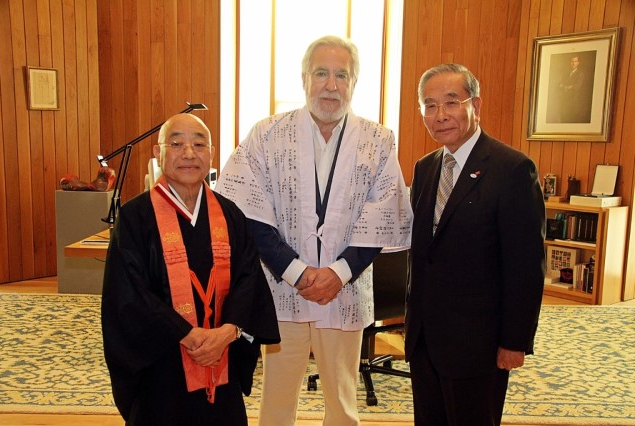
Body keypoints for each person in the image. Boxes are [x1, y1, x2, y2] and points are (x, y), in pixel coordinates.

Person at [216, 35, 413, 425]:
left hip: (346, 290)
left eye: (342, 75)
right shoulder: (266, 134)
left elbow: (381, 216)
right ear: (304, 77)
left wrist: (337, 274)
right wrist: (297, 272)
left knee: (342, 402)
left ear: (355, 82)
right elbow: (248, 213)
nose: (331, 84)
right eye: (321, 73)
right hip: (282, 289)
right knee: (276, 401)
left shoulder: (378, 141)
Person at [101, 113, 280, 425]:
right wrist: (186, 334)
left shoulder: (230, 214)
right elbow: (129, 293)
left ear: (211, 154)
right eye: (176, 144)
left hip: (221, 354)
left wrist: (229, 331)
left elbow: (248, 278)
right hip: (162, 361)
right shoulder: (134, 218)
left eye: (199, 144)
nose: (188, 153)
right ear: (158, 153)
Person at [406, 63, 545, 425]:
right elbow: (423, 256)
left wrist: (514, 341)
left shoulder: (512, 169)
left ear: (476, 105)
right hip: (426, 342)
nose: (440, 115)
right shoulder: (425, 168)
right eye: (429, 105)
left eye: (451, 103)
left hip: (478, 344)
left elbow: (526, 266)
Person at [558, 55, 591, 123]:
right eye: (572, 61)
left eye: (575, 61)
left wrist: (567, 87)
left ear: (578, 63)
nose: (573, 63)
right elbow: (560, 84)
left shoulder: (580, 73)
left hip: (574, 101)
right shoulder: (566, 73)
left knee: (572, 119)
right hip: (565, 101)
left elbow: (577, 86)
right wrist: (563, 86)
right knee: (564, 118)